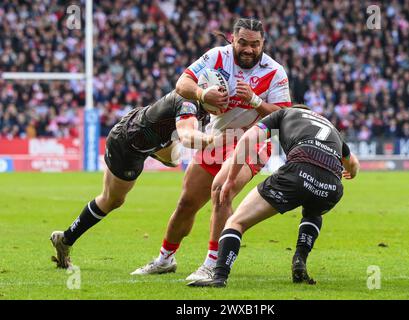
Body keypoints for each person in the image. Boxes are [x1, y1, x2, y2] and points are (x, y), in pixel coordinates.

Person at [131, 18, 291, 279]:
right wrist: (203, 95)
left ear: (263, 43)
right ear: (232, 39)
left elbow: (284, 116)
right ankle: (165, 259)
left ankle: (213, 265)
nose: (248, 49)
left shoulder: (274, 72)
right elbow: (182, 84)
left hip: (253, 141)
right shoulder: (217, 57)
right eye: (243, 43)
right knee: (186, 203)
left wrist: (255, 101)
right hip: (217, 140)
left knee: (222, 190)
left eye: (255, 44)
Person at [187, 105, 360, 287]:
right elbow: (353, 164)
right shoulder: (329, 125)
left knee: (236, 222)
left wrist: (230, 179)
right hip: (332, 185)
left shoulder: (283, 113)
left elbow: (247, 140)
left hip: (299, 169)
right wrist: (352, 173)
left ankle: (219, 276)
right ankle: (299, 259)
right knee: (313, 209)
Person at [50, 89, 219, 268]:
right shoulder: (188, 103)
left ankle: (156, 145)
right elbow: (186, 137)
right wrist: (213, 140)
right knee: (111, 200)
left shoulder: (204, 105)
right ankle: (66, 239)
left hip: (146, 133)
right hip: (128, 146)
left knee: (174, 158)